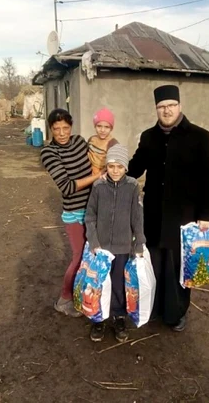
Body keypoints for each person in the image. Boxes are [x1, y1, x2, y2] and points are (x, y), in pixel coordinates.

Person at [128, 85, 209, 332]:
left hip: (184, 216)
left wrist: (206, 215)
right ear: (156, 109)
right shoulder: (148, 137)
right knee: (156, 262)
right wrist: (112, 174)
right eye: (161, 107)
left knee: (179, 267)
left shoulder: (200, 136)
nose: (166, 110)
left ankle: (176, 313)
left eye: (170, 105)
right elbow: (135, 167)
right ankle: (156, 309)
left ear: (179, 106)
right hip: (154, 214)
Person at [40, 108, 103, 317]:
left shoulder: (79, 141)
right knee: (78, 257)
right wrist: (96, 177)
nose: (61, 133)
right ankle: (64, 298)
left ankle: (86, 295)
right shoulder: (49, 153)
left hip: (94, 210)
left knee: (95, 255)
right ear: (50, 129)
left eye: (65, 128)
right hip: (75, 214)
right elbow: (67, 187)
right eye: (56, 129)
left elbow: (96, 160)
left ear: (71, 127)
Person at [84, 143, 145, 342]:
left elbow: (137, 218)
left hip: (122, 248)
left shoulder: (132, 186)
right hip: (101, 249)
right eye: (111, 166)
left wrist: (138, 244)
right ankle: (98, 319)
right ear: (106, 166)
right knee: (99, 284)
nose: (115, 170)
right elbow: (90, 216)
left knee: (119, 284)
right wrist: (93, 241)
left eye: (120, 166)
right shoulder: (99, 186)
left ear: (126, 167)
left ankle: (119, 317)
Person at [87, 107, 119, 176]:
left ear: (111, 128)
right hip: (89, 173)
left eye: (106, 127)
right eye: (99, 126)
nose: (102, 130)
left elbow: (114, 164)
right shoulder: (92, 140)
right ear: (95, 126)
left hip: (104, 175)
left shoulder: (112, 143)